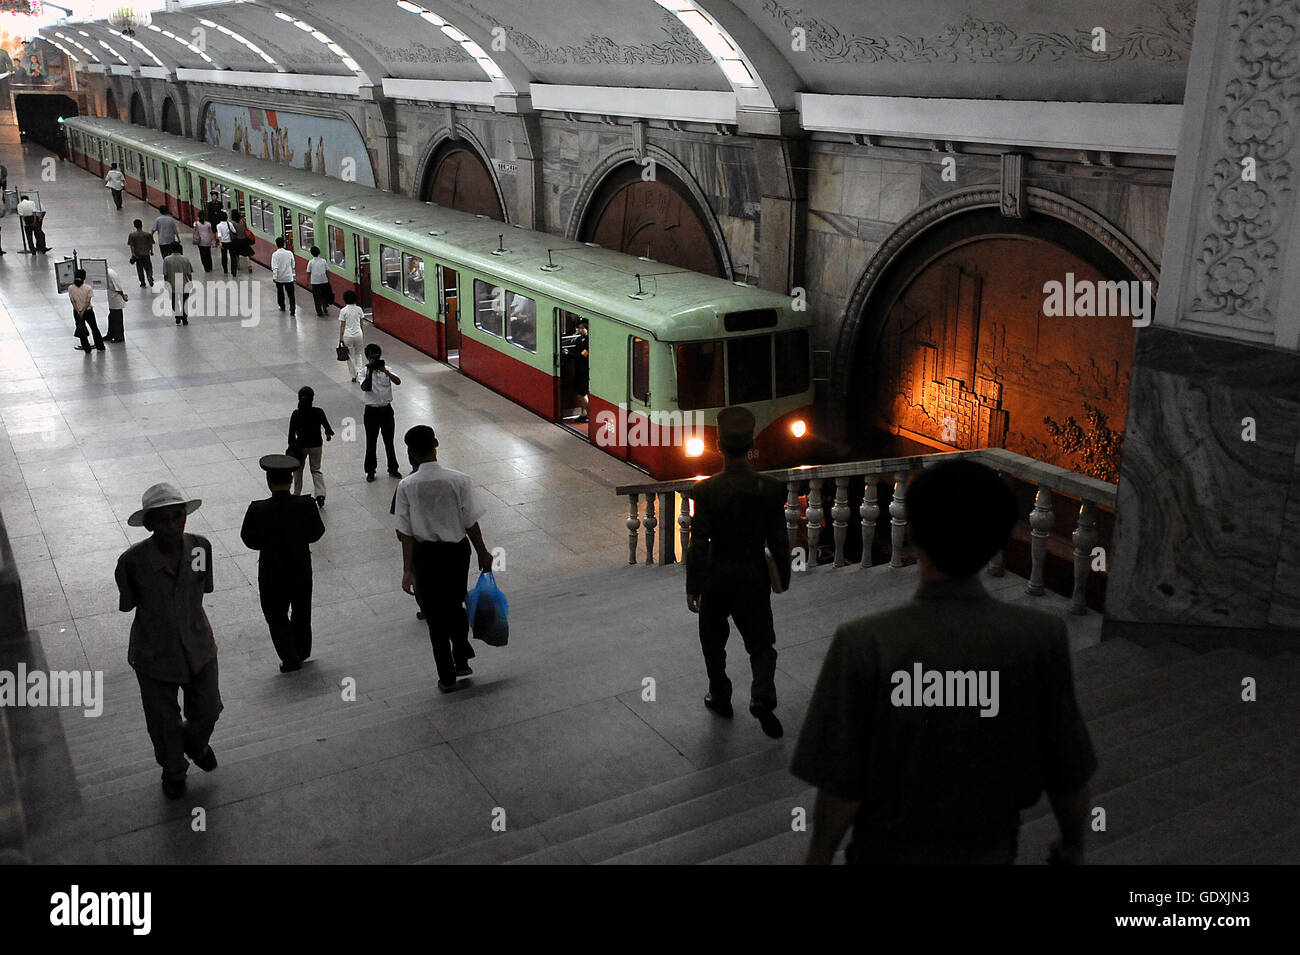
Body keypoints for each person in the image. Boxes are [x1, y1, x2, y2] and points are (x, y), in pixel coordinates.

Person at [790, 460, 1098, 865]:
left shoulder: (863, 643)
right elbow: (1067, 770)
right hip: (989, 851)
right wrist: (1073, 843)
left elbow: (841, 783)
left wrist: (818, 856)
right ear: (999, 539)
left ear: (913, 535)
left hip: (886, 853)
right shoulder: (1040, 638)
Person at [686, 406, 790, 739]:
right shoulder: (770, 489)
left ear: (718, 443)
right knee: (761, 644)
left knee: (713, 643)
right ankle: (763, 697)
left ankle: (721, 697)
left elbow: (699, 542)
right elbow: (779, 539)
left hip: (717, 577)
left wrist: (694, 586)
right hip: (753, 577)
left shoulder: (706, 491)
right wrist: (783, 577)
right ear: (751, 443)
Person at [115, 483, 222, 799]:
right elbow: (129, 601)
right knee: (163, 720)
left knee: (209, 708)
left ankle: (195, 744)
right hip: (154, 652)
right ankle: (173, 769)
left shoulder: (201, 548)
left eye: (179, 516)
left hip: (199, 645)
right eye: (164, 520)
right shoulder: (132, 562)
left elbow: (203, 587)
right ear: (149, 525)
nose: (174, 525)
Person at [395, 425, 495, 692]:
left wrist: (407, 569)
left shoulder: (406, 486)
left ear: (411, 453)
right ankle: (461, 656)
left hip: (425, 557)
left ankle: (447, 676)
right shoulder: (459, 480)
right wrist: (483, 552)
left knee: (435, 616)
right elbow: (470, 521)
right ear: (436, 445)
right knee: (454, 603)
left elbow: (404, 532)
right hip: (456, 553)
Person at [240, 454, 326, 673]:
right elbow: (317, 532)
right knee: (301, 611)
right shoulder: (306, 504)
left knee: (275, 614)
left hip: (271, 570)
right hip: (300, 567)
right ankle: (302, 651)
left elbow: (248, 539)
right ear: (291, 481)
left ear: (269, 482)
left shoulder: (257, 509)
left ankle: (289, 658)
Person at [360, 343, 402, 482]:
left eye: (377, 357)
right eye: (372, 358)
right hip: (371, 412)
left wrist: (386, 372)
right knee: (371, 442)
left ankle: (393, 468)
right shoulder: (362, 371)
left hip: (386, 410)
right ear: (368, 358)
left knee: (389, 441)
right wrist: (370, 372)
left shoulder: (387, 369)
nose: (375, 360)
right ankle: (370, 471)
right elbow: (364, 387)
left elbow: (398, 381)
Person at [287, 386, 333, 508]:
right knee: (316, 469)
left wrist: (291, 447)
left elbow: (291, 434)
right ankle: (320, 495)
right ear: (312, 398)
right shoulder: (318, 412)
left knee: (298, 471)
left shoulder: (296, 414)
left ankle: (296, 494)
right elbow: (327, 428)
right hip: (316, 445)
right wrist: (328, 434)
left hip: (300, 447)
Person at [67, 269, 105, 353]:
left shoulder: (70, 288)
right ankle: (100, 345)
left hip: (77, 312)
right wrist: (83, 311)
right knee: (94, 328)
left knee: (81, 329)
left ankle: (86, 348)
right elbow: (88, 302)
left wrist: (78, 311)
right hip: (88, 311)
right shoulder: (88, 288)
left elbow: (72, 301)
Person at [338, 289, 365, 383]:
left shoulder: (343, 311)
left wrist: (340, 339)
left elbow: (342, 326)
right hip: (358, 335)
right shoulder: (359, 309)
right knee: (358, 354)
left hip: (347, 336)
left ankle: (353, 376)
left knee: (350, 356)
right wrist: (361, 333)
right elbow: (362, 323)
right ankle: (360, 372)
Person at [163, 244, 193, 326]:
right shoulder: (185, 259)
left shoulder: (167, 260)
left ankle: (178, 315)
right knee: (184, 302)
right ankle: (184, 317)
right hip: (184, 284)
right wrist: (190, 282)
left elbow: (165, 274)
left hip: (172, 284)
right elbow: (189, 273)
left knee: (174, 302)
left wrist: (165, 283)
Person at [271, 236, 296, 315]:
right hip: (288, 277)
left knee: (280, 292)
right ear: (284, 244)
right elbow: (293, 265)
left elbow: (274, 267)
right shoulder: (289, 253)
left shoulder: (275, 255)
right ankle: (292, 308)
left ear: (276, 244)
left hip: (279, 277)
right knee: (291, 294)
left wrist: (274, 277)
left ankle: (282, 306)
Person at [104, 265, 128, 343]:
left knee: (117, 318)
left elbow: (118, 288)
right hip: (112, 300)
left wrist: (123, 296)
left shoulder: (111, 274)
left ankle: (119, 337)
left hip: (116, 300)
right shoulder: (107, 274)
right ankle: (110, 334)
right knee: (111, 317)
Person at [128, 219, 155, 287]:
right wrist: (151, 251)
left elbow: (131, 246)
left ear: (134, 226)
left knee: (140, 269)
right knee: (149, 267)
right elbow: (150, 243)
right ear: (142, 225)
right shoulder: (147, 234)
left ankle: (142, 282)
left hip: (138, 255)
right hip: (146, 254)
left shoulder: (132, 235)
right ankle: (149, 276)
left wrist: (133, 254)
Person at [307, 245, 332, 316]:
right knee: (324, 295)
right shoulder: (323, 261)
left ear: (311, 253)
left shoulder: (311, 262)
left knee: (317, 297)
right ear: (319, 253)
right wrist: (328, 279)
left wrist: (308, 281)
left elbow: (308, 272)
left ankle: (319, 311)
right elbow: (328, 271)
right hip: (324, 281)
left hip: (315, 282)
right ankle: (325, 307)